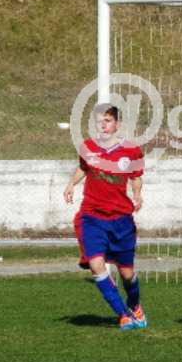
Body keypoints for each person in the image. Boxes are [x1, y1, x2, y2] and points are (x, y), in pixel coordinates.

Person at [64, 104, 147, 331]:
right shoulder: (87, 147)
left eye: (108, 120)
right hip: (92, 216)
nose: (103, 125)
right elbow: (84, 168)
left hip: (121, 219)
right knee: (96, 264)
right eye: (100, 121)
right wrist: (71, 184)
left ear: (117, 124)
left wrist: (137, 195)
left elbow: (136, 176)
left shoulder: (131, 150)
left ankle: (135, 306)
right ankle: (123, 315)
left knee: (127, 274)